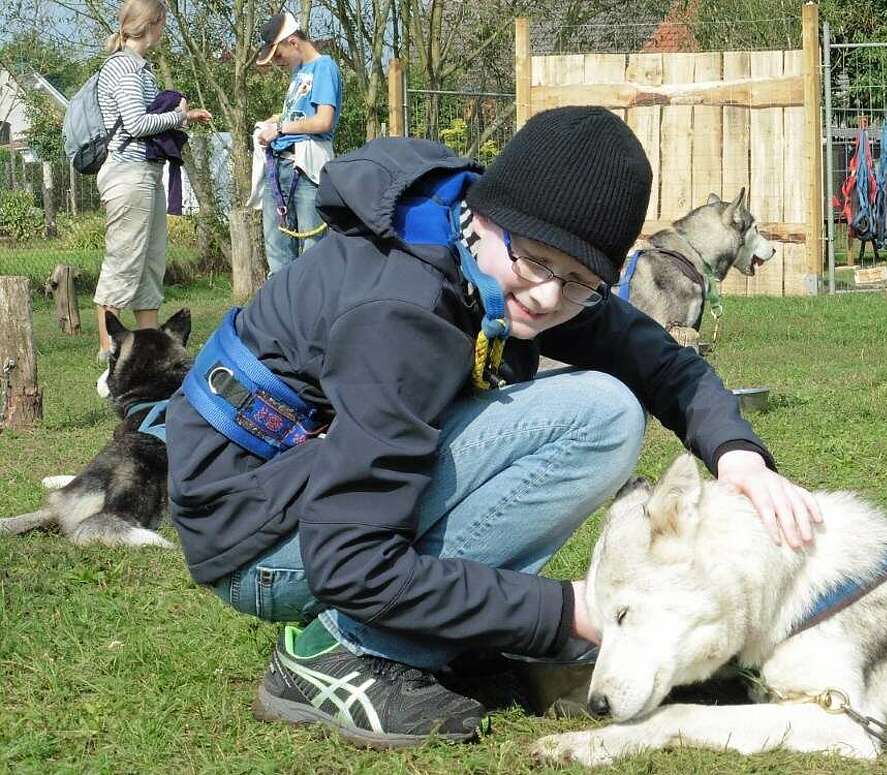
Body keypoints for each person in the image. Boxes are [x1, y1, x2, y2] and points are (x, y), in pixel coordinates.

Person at [165, 107, 823, 748]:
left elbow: (661, 361)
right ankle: (338, 648)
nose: (545, 296)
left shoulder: (496, 258)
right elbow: (350, 560)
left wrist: (739, 456)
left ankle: (434, 632)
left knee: (612, 406)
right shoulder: (401, 314)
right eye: (537, 263)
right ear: (486, 212)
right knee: (598, 416)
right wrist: (568, 611)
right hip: (256, 537)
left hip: (308, 493)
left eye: (578, 281)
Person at [94, 0, 211, 359]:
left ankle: (145, 345)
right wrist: (178, 117)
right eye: (163, 23)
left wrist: (184, 116)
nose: (165, 30)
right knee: (125, 260)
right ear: (152, 23)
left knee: (149, 263)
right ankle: (109, 349)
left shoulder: (139, 69)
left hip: (145, 174)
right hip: (129, 175)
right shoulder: (125, 69)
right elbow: (135, 124)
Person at [253, 11, 341, 276]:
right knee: (277, 251)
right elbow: (301, 115)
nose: (277, 63)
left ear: (292, 42)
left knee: (313, 252)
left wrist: (280, 128)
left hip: (306, 170)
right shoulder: (299, 73)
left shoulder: (324, 67)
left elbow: (324, 121)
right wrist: (277, 119)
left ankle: (313, 314)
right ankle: (279, 313)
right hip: (279, 167)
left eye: (277, 55)